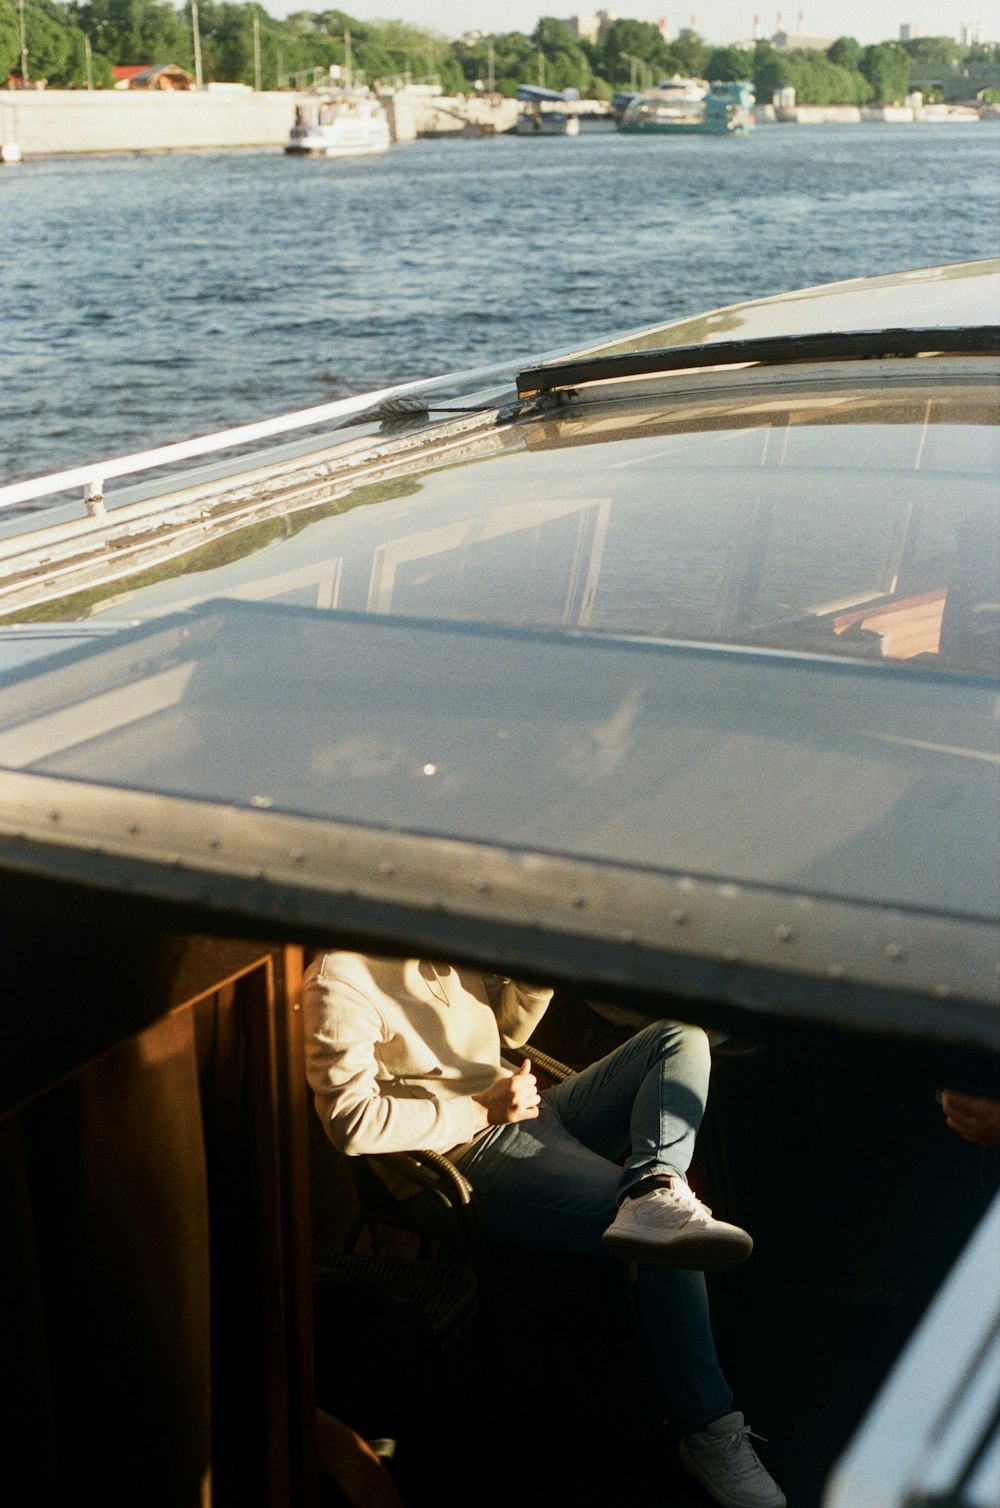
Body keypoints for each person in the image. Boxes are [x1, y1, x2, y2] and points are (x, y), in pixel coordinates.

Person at [304, 952, 786, 1508]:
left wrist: (533, 972)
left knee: (678, 1036)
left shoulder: (441, 936)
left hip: (529, 1106)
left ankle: (653, 1183)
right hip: (466, 1156)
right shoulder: (339, 978)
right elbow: (349, 1120)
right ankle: (709, 1428)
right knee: (668, 1241)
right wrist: (480, 1110)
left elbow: (506, 1032)